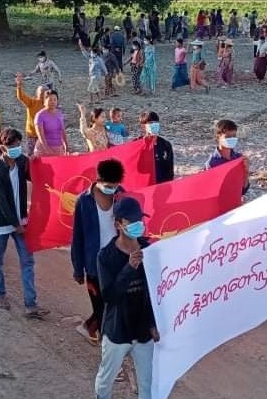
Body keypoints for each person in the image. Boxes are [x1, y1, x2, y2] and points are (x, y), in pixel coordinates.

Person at [94, 196, 159, 399]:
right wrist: (129, 268)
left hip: (143, 331)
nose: (138, 225)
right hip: (117, 331)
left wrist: (153, 324)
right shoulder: (106, 257)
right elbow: (109, 296)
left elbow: (155, 292)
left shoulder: (149, 250)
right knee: (106, 380)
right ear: (118, 224)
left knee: (147, 383)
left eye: (140, 219)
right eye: (132, 221)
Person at [0, 128, 50, 318]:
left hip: (20, 219)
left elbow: (35, 177)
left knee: (27, 261)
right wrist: (17, 225)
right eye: (11, 145)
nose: (15, 148)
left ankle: (31, 304)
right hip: (1, 223)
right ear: (2, 147)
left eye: (17, 144)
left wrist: (40, 165)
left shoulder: (22, 162)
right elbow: (2, 203)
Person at [71, 159, 126, 345]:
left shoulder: (121, 197)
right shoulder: (84, 201)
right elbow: (77, 237)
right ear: (98, 180)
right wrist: (78, 269)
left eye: (116, 185)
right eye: (109, 186)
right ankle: (107, 351)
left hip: (118, 261)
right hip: (94, 265)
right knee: (103, 309)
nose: (113, 189)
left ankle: (89, 328)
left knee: (113, 305)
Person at [205, 119, 250, 195]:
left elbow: (243, 191)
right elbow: (209, 192)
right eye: (228, 137)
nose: (231, 139)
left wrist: (246, 172)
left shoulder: (239, 158)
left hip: (235, 201)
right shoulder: (212, 163)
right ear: (218, 137)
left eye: (234, 136)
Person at [137, 111, 174, 183]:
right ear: (143, 126)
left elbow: (170, 169)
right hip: (144, 185)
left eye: (156, 123)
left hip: (161, 185)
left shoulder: (166, 145)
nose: (154, 125)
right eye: (150, 123)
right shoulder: (136, 145)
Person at [15, 74, 47, 155]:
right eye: (41, 91)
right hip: (32, 135)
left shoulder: (48, 106)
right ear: (37, 93)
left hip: (44, 136)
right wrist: (19, 86)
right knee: (30, 155)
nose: (42, 93)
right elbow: (21, 97)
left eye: (44, 92)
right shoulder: (32, 102)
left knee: (42, 155)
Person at [33, 91, 68, 156]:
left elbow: (62, 131)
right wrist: (48, 150)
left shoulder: (59, 114)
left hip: (58, 148)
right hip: (44, 150)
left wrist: (66, 146)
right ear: (44, 101)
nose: (53, 102)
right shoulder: (40, 115)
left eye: (55, 100)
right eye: (50, 100)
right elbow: (41, 136)